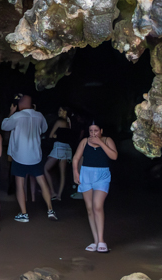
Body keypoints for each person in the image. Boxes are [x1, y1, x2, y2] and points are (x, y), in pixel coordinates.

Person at [2, 95, 55, 222]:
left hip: (19, 156)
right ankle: (50, 210)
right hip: (35, 156)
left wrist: (11, 112)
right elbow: (44, 129)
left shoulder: (17, 116)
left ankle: (24, 214)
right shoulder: (39, 115)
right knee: (42, 182)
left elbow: (4, 126)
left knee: (20, 184)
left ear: (19, 105)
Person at [71, 119, 118, 252]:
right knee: (90, 208)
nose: (93, 133)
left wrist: (100, 143)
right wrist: (75, 172)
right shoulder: (84, 141)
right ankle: (96, 241)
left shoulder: (107, 140)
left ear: (101, 130)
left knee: (97, 206)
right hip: (86, 175)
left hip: (102, 176)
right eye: (91, 131)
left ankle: (102, 240)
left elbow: (114, 156)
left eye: (96, 130)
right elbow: (76, 158)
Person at [45, 107, 78, 197]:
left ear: (65, 111)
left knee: (46, 169)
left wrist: (57, 136)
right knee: (62, 173)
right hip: (67, 149)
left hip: (59, 147)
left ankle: (52, 191)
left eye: (60, 110)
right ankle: (59, 195)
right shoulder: (69, 123)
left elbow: (51, 135)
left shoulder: (59, 122)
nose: (58, 112)